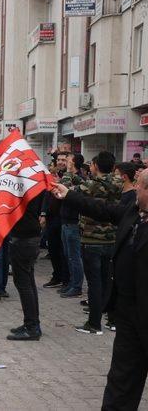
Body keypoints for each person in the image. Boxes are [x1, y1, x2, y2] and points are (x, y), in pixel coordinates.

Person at [52, 171, 148, 410]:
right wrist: (69, 195)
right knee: (121, 381)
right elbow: (102, 208)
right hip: (127, 312)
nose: (135, 189)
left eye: (139, 186)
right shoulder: (134, 212)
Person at [73, 152, 122, 335]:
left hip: (92, 238)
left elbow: (73, 192)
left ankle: (94, 323)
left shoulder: (92, 185)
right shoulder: (119, 183)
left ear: (95, 165)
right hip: (112, 238)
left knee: (94, 283)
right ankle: (112, 319)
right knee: (108, 280)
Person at [6, 192, 44, 341]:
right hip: (29, 236)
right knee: (28, 281)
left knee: (24, 283)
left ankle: (32, 326)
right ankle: (32, 323)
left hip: (24, 238)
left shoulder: (23, 188)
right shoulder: (33, 186)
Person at [59, 153, 86, 298]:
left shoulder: (80, 179)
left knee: (74, 256)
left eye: (68, 160)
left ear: (74, 162)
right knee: (68, 255)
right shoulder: (70, 176)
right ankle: (71, 283)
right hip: (65, 220)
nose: (66, 162)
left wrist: (69, 171)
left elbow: (63, 188)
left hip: (73, 222)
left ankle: (77, 286)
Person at [41, 151, 69, 289]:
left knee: (64, 251)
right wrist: (43, 213)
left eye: (64, 160)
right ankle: (57, 276)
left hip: (65, 218)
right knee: (53, 248)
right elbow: (47, 195)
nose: (61, 162)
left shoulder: (73, 177)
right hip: (52, 218)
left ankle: (65, 279)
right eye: (59, 160)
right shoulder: (52, 176)